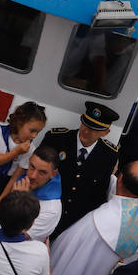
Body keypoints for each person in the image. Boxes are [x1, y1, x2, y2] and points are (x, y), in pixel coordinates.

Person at [43, 102, 121, 237]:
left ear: (105, 132)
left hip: (74, 223)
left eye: (94, 129)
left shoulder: (109, 154)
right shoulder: (56, 139)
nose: (86, 131)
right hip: (45, 211)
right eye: (85, 124)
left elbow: (99, 193)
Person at [0, 145, 61, 242]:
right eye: (32, 167)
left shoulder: (51, 209)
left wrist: (20, 200)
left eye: (42, 172)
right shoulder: (22, 181)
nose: (33, 176)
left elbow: (14, 237)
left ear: (53, 174)